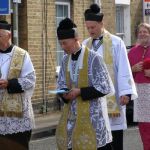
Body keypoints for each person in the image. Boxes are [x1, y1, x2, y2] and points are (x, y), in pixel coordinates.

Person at [82, 4, 137, 150]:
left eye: (93, 27)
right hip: (92, 100)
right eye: (88, 28)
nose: (90, 31)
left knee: (114, 141)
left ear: (101, 23)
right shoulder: (85, 45)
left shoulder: (116, 42)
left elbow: (124, 68)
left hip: (112, 99)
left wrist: (126, 92)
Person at [56, 18, 115, 150]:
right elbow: (60, 83)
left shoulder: (94, 58)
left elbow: (105, 87)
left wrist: (80, 92)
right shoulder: (65, 60)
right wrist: (63, 93)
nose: (62, 47)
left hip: (93, 119)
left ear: (76, 38)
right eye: (60, 43)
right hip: (72, 119)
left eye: (65, 43)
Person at [0, 20, 36, 150]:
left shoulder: (22, 55)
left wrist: (9, 83)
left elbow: (30, 80)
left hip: (17, 117)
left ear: (8, 36)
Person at [128, 23, 150, 150]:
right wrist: (132, 69)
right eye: (140, 32)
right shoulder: (132, 52)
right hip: (140, 92)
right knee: (144, 126)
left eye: (145, 31)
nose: (142, 34)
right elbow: (124, 73)